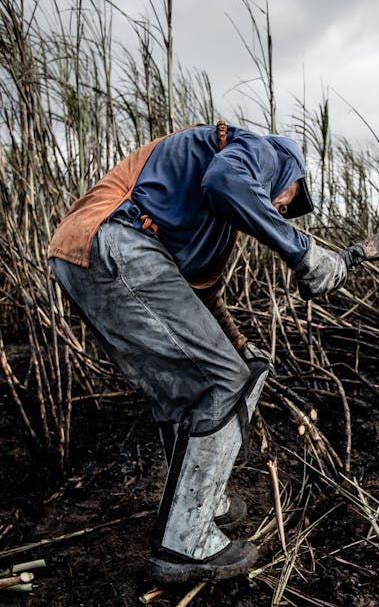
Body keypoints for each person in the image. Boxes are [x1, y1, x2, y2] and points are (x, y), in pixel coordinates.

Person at [48, 121, 350, 583]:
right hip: (115, 239)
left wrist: (244, 348)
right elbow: (229, 182)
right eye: (290, 198)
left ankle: (198, 504)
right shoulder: (264, 151)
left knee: (185, 389)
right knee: (220, 383)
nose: (283, 207)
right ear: (290, 169)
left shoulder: (207, 224)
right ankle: (185, 544)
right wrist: (303, 252)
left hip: (90, 251)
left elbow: (198, 298)